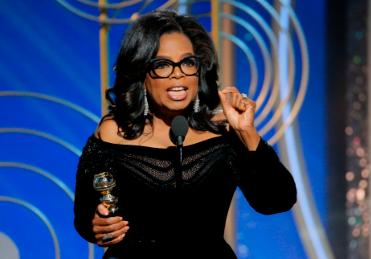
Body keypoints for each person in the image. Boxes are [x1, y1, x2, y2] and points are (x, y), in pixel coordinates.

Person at [73, 10, 297, 259]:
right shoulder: (114, 133)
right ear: (141, 73)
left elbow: (277, 200)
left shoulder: (222, 134)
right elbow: (85, 216)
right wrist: (97, 225)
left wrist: (246, 132)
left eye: (188, 63)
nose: (178, 73)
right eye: (162, 65)